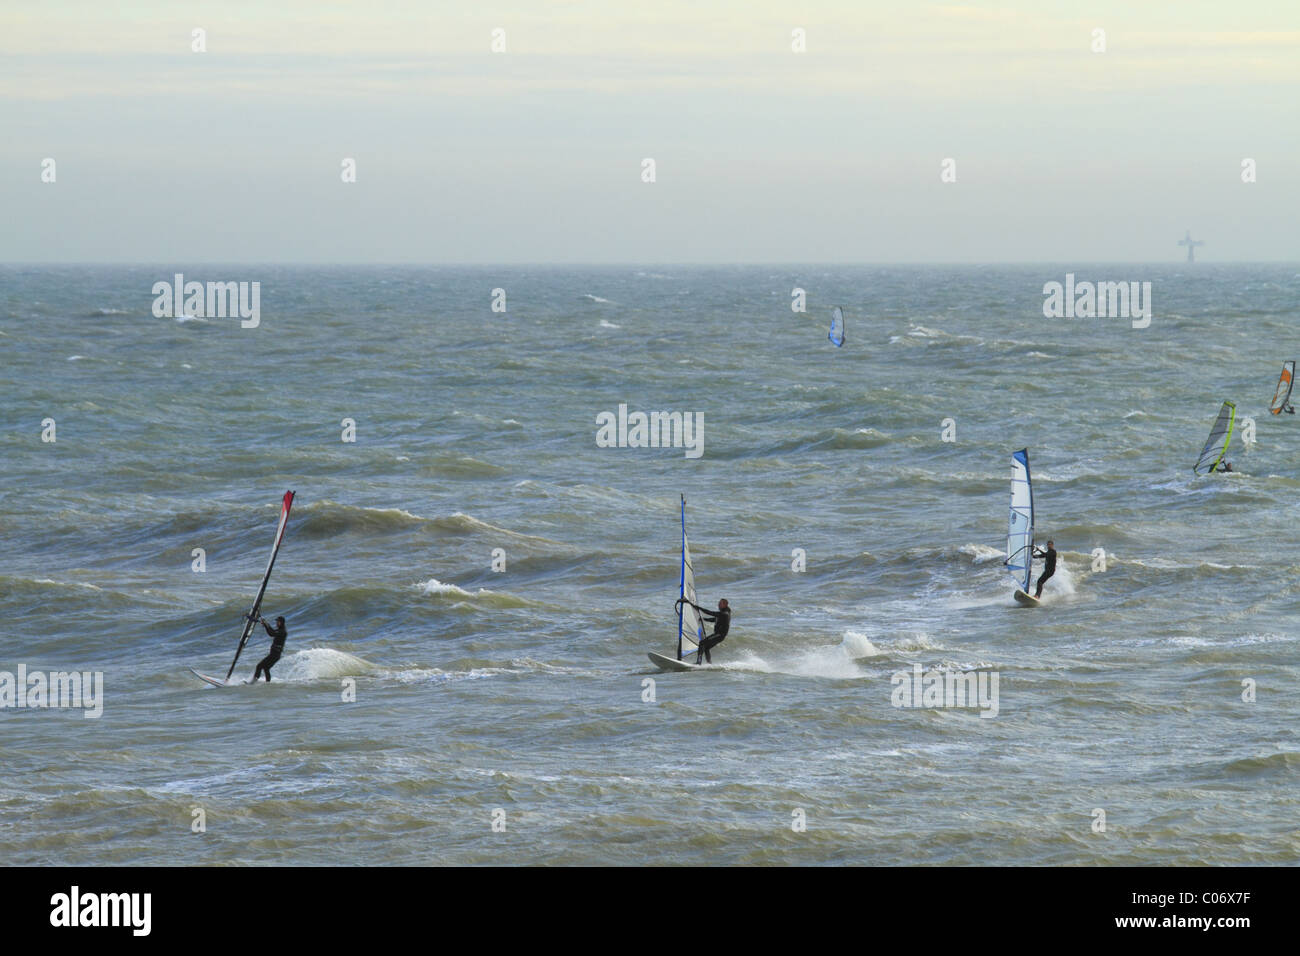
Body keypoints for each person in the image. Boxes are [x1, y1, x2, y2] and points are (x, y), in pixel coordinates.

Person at [677, 598, 731, 664]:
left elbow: (709, 612)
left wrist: (692, 604)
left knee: (702, 643)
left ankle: (698, 662)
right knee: (706, 647)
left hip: (719, 635)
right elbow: (715, 619)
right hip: (719, 635)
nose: (718, 605)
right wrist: (704, 619)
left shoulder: (724, 614)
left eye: (720, 604)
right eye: (718, 603)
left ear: (725, 605)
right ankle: (709, 663)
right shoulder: (724, 613)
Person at [252, 614, 287, 682]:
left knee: (259, 666)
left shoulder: (283, 632)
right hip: (275, 654)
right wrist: (266, 624)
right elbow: (272, 631)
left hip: (275, 655)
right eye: (277, 621)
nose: (277, 623)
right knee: (266, 668)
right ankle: (268, 683)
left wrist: (266, 625)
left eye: (278, 621)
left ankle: (253, 682)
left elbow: (272, 633)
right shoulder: (280, 630)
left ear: (281, 622)